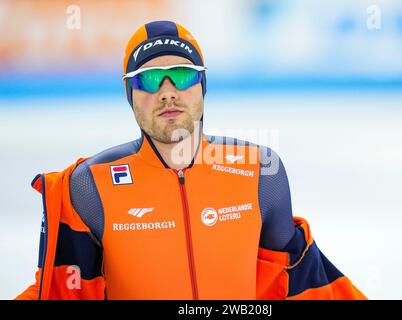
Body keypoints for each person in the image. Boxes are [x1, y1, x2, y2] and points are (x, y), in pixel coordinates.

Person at [16, 20, 366, 300]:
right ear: (130, 94)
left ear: (202, 85)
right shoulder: (89, 186)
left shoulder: (261, 173)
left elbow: (303, 286)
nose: (167, 91)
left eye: (182, 75)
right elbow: (60, 291)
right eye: (150, 80)